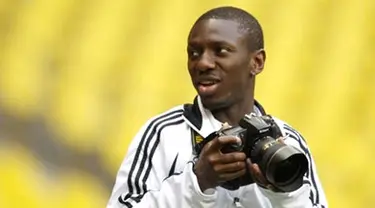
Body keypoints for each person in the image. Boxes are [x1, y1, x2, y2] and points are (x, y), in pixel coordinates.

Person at [106, 6, 328, 208]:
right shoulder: (163, 133)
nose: (202, 63)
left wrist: (284, 195)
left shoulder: (288, 142)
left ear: (257, 62)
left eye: (220, 51)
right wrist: (199, 180)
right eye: (194, 52)